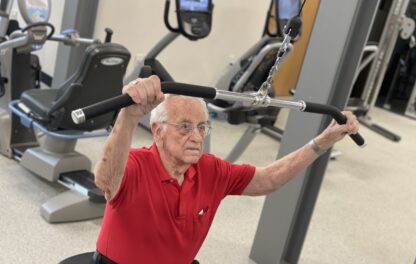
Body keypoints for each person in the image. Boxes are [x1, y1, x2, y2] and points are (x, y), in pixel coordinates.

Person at [93, 76, 359, 264]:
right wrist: (128, 116)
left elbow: (269, 180)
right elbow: (105, 179)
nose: (197, 137)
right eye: (185, 126)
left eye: (201, 127)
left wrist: (324, 141)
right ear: (157, 131)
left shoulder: (211, 170)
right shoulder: (136, 164)